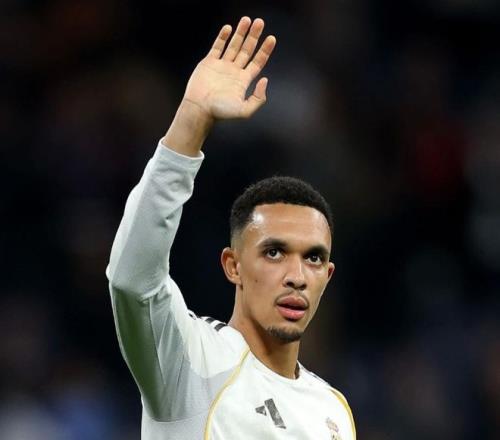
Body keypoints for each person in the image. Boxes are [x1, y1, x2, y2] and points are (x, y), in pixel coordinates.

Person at [107, 16, 356, 440]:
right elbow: (132, 280)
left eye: (314, 258)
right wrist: (192, 120)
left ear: (327, 276)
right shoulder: (191, 361)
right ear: (233, 265)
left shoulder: (333, 410)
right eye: (274, 252)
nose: (296, 276)